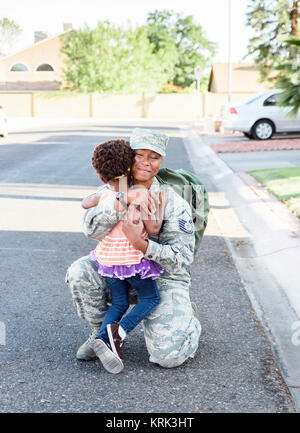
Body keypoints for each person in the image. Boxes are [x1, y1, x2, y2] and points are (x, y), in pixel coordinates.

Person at [65, 127, 202, 369]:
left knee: (168, 357)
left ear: (161, 161)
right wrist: (120, 201)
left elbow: (181, 260)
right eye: (139, 155)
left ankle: (187, 319)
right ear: (129, 157)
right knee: (79, 271)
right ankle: (102, 336)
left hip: (161, 277)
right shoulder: (113, 189)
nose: (146, 163)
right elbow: (91, 229)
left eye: (154, 157)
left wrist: (144, 245)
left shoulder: (171, 201)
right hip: (117, 269)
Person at [81, 139, 165, 374]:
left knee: (119, 303)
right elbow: (154, 227)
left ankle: (101, 340)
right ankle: (119, 332)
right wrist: (159, 206)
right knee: (151, 298)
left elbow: (84, 203)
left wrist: (103, 197)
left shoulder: (104, 193)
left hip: (108, 259)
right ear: (130, 167)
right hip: (131, 258)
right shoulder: (138, 191)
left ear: (100, 177)